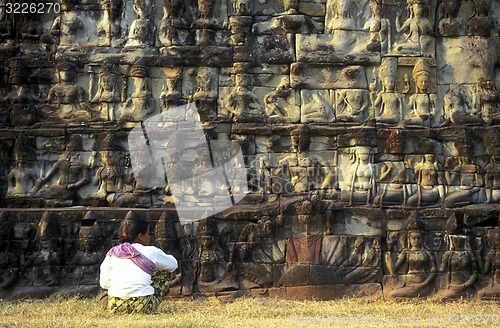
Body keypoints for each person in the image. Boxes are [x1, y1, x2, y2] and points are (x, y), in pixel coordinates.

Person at [100, 218, 178, 314]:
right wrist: (153, 269)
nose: (150, 237)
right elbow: (173, 265)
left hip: (115, 305)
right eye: (148, 233)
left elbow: (104, 283)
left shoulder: (113, 252)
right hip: (142, 305)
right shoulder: (152, 251)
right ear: (140, 236)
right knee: (164, 273)